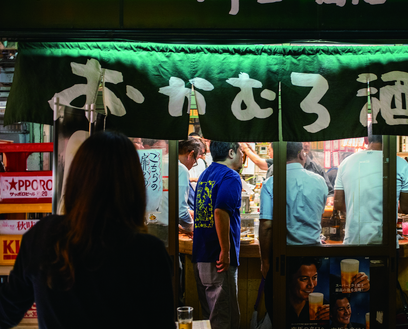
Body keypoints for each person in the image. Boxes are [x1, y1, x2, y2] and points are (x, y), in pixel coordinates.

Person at [0, 131, 175, 328]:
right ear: (133, 186)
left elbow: (6, 311)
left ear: (76, 177)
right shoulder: (149, 252)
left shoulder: (43, 236)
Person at [259, 142, 329, 319]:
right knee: (311, 315)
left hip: (284, 258)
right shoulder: (320, 181)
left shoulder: (271, 183)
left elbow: (267, 226)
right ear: (301, 154)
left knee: (282, 312)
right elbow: (318, 215)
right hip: (313, 256)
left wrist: (265, 262)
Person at [192, 141, 243, 329]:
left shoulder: (206, 174)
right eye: (240, 151)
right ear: (231, 153)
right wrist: (226, 250)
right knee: (224, 320)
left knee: (211, 318)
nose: (242, 156)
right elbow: (220, 211)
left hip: (201, 255)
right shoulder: (230, 176)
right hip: (217, 259)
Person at [333, 134, 384, 245]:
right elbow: (405, 208)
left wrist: (355, 208)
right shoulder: (399, 163)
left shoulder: (345, 163)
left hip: (354, 239)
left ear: (365, 140)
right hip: (386, 243)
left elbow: (337, 204)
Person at [287, 257, 330, 324]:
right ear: (289, 280)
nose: (312, 285)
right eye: (304, 279)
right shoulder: (279, 307)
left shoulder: (323, 307)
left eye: (314, 278)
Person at [177, 137, 203, 236]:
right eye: (195, 161)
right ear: (191, 154)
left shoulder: (163, 161)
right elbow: (181, 211)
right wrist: (192, 228)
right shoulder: (181, 170)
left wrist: (188, 211)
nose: (193, 164)